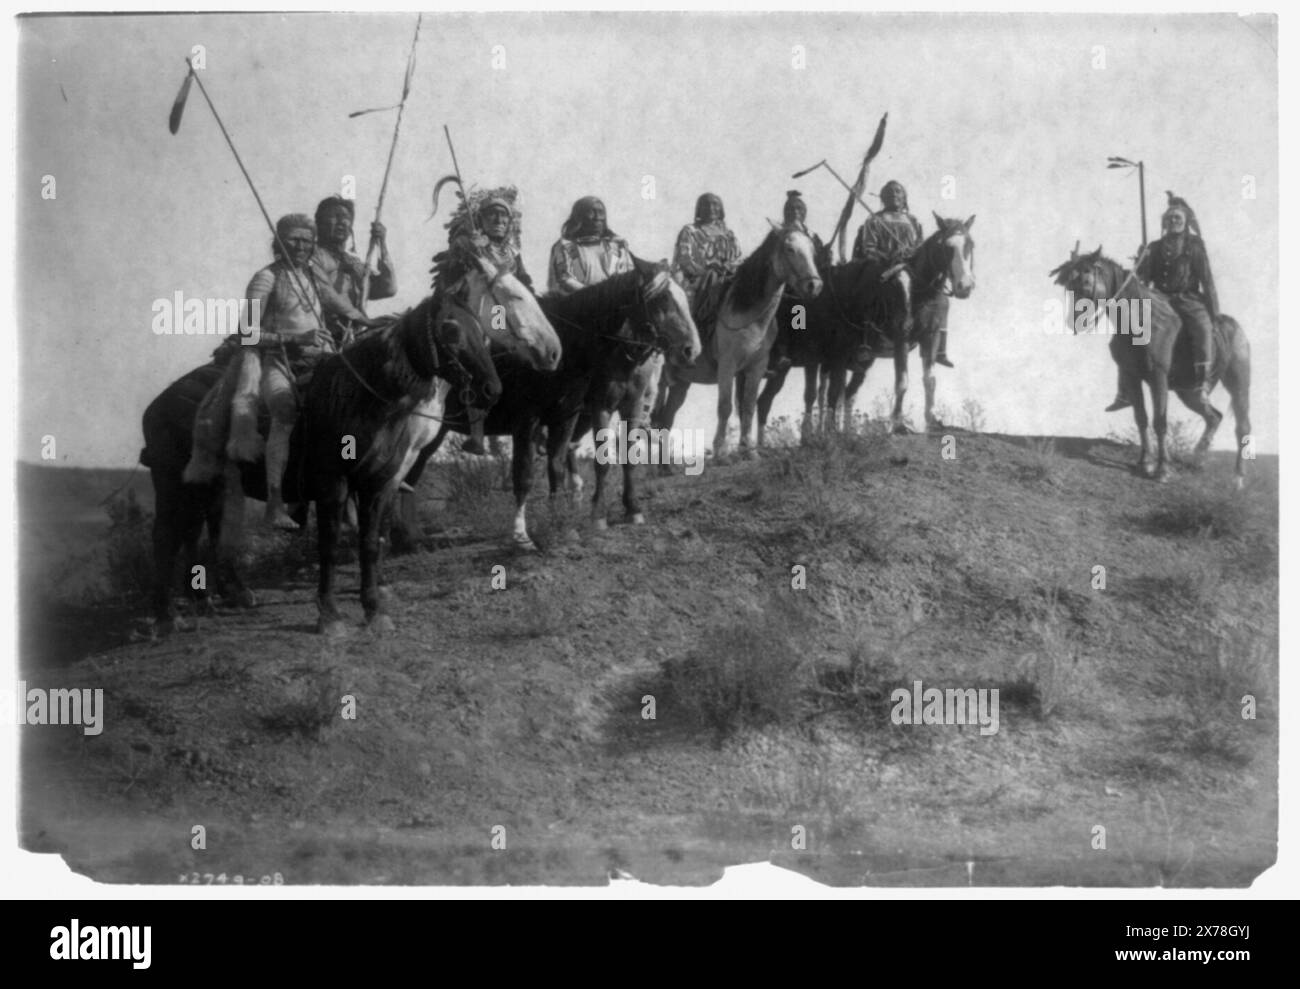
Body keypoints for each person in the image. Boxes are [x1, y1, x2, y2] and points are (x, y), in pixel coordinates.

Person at [234, 214, 380, 529]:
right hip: (279, 362)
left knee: (353, 409)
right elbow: (246, 333)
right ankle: (276, 503)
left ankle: (350, 491)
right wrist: (295, 338)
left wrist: (371, 323)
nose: (300, 246)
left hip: (323, 359)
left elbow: (342, 306)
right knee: (284, 411)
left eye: (306, 240)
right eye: (293, 240)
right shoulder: (266, 279)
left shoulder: (313, 276)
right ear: (279, 242)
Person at [1106, 194, 1219, 411]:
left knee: (1202, 328)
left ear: (1185, 222)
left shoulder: (1195, 245)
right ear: (1164, 221)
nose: (1173, 221)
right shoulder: (1155, 246)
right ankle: (1124, 392)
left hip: (1188, 299)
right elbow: (1144, 278)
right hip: (1160, 299)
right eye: (1170, 218)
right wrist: (1142, 260)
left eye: (1178, 218)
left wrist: (1214, 311)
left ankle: (1203, 383)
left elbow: (1207, 278)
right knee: (1129, 331)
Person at [447, 187, 532, 454]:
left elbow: (525, 282)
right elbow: (454, 276)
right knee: (483, 348)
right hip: (474, 309)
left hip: (506, 311)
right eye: (492, 215)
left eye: (503, 217)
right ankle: (477, 432)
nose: (498, 220)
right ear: (480, 219)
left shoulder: (512, 251)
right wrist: (472, 248)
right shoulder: (466, 242)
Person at [853, 180, 952, 368]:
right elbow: (869, 248)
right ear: (883, 198)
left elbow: (920, 246)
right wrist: (888, 255)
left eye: (898, 192)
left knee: (940, 298)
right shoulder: (874, 220)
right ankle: (865, 339)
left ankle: (938, 348)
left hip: (910, 266)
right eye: (889, 192)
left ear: (904, 197)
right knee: (868, 289)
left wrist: (910, 254)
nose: (894, 195)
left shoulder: (913, 221)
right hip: (883, 266)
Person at [310, 196, 396, 346]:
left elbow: (388, 289)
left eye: (347, 218)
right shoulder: (312, 256)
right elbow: (327, 296)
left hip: (350, 341)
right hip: (319, 339)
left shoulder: (353, 261)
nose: (342, 222)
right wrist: (367, 321)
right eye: (335, 217)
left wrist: (382, 244)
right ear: (319, 224)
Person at [670, 192, 743, 332]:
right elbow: (684, 259)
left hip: (727, 275)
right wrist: (707, 267)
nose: (711, 208)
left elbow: (738, 257)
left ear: (721, 209)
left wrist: (727, 267)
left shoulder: (729, 234)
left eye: (715, 204)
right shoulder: (690, 231)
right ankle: (700, 325)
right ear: (699, 209)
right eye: (706, 204)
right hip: (697, 279)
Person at [548, 196, 634, 294]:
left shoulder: (618, 245)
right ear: (579, 217)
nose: (597, 217)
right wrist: (595, 296)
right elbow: (565, 279)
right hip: (578, 304)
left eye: (601, 213)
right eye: (592, 212)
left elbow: (629, 274)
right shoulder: (564, 247)